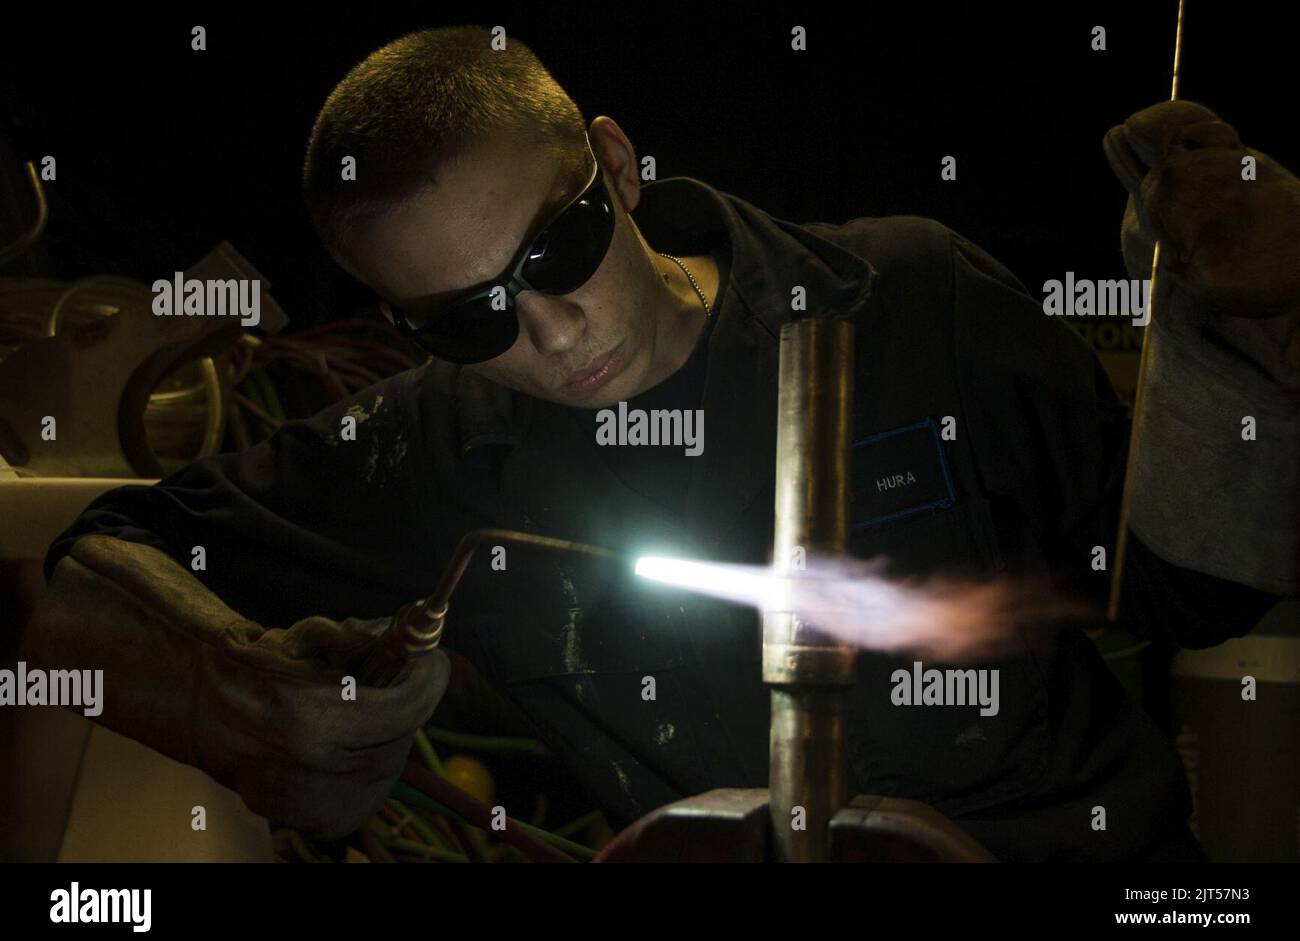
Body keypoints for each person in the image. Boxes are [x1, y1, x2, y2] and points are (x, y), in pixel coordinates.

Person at [24, 26, 1299, 861]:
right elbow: (96, 567)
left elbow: (1189, 593)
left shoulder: (912, 297)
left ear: (614, 166)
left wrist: (1244, 333)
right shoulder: (439, 443)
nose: (549, 329)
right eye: (469, 319)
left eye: (555, 252)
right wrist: (243, 685)